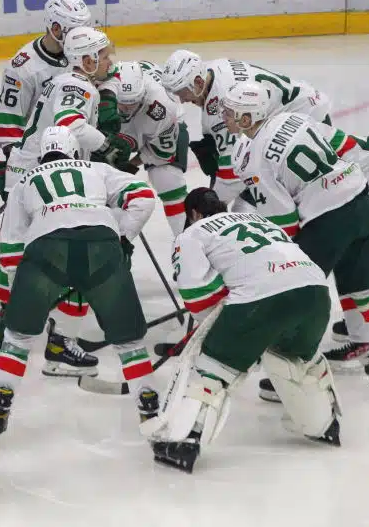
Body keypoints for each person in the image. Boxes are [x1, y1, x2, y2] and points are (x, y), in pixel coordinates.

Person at [222, 82, 369, 390]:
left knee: (298, 292)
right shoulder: (291, 118)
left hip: (329, 218)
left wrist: (276, 259)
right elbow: (337, 146)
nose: (224, 116)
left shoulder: (256, 159)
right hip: (361, 200)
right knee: (365, 285)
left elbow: (285, 222)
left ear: (247, 118)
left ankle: (294, 375)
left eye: (230, 112)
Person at [143, 187, 340, 474]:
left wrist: (230, 337)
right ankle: (324, 425)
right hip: (316, 293)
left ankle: (184, 442)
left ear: (193, 213)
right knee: (295, 360)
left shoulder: (192, 234)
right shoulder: (260, 221)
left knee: (212, 366)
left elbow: (198, 296)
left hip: (261, 297)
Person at [0, 126, 157, 444]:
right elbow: (143, 198)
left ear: (41, 156)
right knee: (129, 342)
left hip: (46, 248)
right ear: (76, 152)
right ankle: (149, 407)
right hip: (100, 244)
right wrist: (123, 238)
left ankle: (1, 399)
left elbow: (9, 250)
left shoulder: (25, 181)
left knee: (18, 338)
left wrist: (18, 295)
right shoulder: (97, 169)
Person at [0, 27, 136, 370]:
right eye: (103, 56)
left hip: (29, 173)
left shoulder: (68, 81)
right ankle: (58, 342)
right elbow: (70, 122)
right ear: (86, 60)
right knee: (78, 254)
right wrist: (107, 147)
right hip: (42, 178)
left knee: (19, 255)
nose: (110, 62)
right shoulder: (77, 85)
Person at [258, 122, 369, 400]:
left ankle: (301, 368)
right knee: (355, 267)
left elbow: (290, 217)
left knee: (326, 275)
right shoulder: (298, 124)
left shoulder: (263, 153)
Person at [160, 51, 330, 205]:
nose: (182, 100)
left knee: (247, 209)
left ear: (198, 81)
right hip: (302, 107)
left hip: (306, 124)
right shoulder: (213, 68)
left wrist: (211, 208)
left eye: (182, 92)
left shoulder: (226, 103)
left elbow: (232, 176)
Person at [0, 0, 91, 199]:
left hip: (78, 147)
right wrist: (17, 166)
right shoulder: (23, 68)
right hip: (40, 154)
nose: (82, 36)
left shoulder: (83, 52)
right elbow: (9, 127)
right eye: (75, 30)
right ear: (55, 28)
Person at [100, 61, 190, 236]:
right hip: (113, 125)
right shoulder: (101, 92)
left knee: (167, 178)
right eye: (122, 103)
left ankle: (185, 238)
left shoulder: (163, 109)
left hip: (162, 128)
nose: (125, 110)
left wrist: (130, 165)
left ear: (143, 95)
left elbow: (162, 153)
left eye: (132, 103)